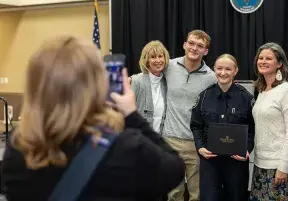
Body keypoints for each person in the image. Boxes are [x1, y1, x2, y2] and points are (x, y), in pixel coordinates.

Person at [1, 35, 185, 201]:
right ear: (96, 83)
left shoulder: (18, 145)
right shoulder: (124, 147)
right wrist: (131, 115)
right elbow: (174, 169)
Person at [190, 54, 255, 201]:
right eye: (219, 68)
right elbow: (196, 125)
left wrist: (247, 149)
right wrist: (200, 147)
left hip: (236, 163)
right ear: (214, 69)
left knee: (236, 197)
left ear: (235, 71)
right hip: (210, 161)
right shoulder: (204, 96)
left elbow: (253, 128)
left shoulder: (247, 98)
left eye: (228, 69)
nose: (223, 73)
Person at [163, 30, 216, 201]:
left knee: (197, 195)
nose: (194, 48)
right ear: (184, 45)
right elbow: (148, 74)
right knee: (173, 194)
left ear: (206, 51)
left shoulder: (211, 77)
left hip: (197, 144)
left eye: (200, 46)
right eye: (191, 43)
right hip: (170, 140)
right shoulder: (168, 66)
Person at [249, 43, 288, 201]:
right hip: (260, 164)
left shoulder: (287, 89)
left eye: (268, 58)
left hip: (280, 166)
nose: (263, 61)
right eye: (260, 58)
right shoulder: (261, 90)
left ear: (279, 63)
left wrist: (283, 166)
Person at [131, 40, 169, 134]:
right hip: (139, 138)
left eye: (160, 56)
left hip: (159, 140)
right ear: (146, 61)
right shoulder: (136, 81)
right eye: (153, 57)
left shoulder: (166, 82)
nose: (158, 60)